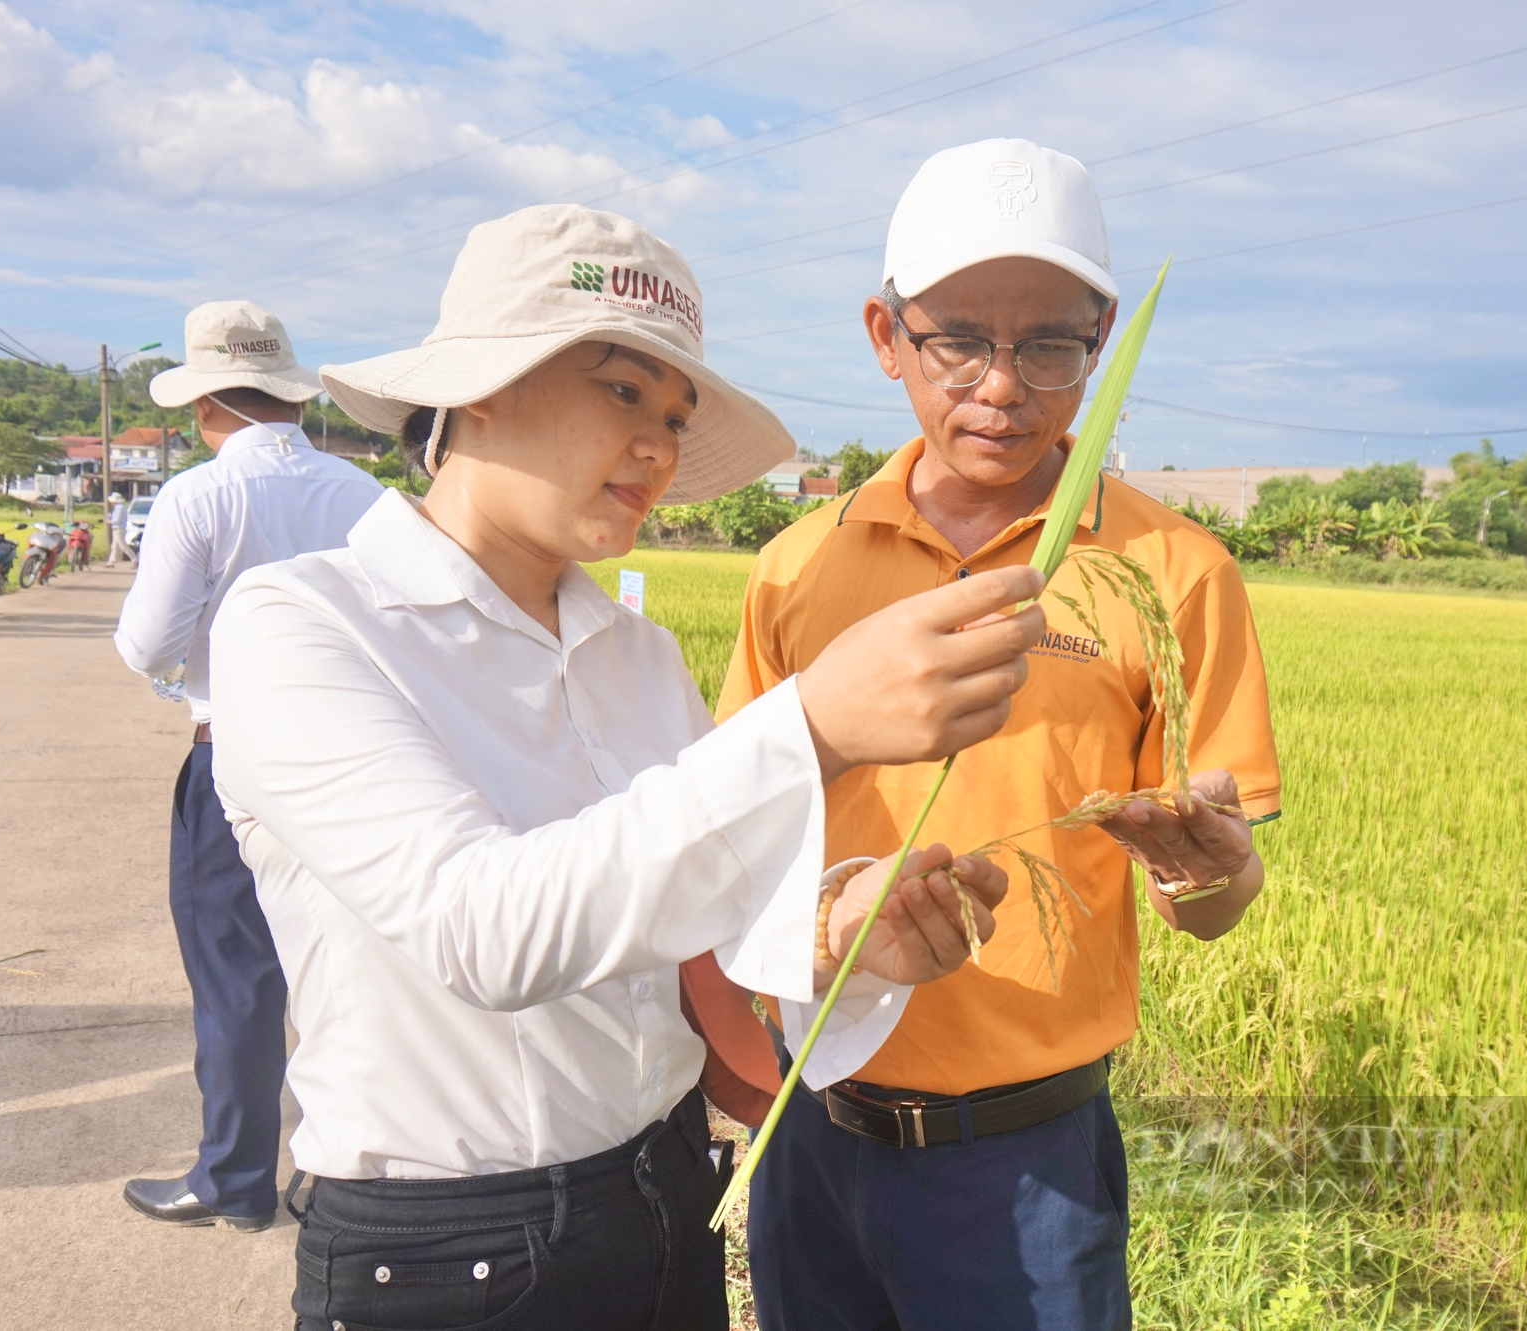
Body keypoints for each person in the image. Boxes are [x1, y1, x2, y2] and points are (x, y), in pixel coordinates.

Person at [208, 203, 1041, 1331]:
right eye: (618, 390)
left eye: (672, 412)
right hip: (452, 1253)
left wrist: (842, 926)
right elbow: (482, 927)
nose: (655, 445)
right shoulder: (303, 624)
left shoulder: (637, 653)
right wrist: (813, 723)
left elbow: (702, 927)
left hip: (663, 1196)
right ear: (477, 387)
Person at [719, 139, 1284, 1330]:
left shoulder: (1173, 573)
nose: (1001, 386)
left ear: (1104, 342)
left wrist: (1216, 880)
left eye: (1049, 345)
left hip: (1025, 1161)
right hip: (810, 1124)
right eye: (958, 339)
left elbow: (1203, 896)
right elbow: (734, 828)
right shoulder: (797, 565)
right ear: (886, 335)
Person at [114, 301, 385, 1231]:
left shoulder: (198, 496)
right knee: (351, 968)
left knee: (239, 975)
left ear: (203, 407)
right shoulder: (366, 496)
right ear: (294, 397)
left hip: (234, 756)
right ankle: (357, 1174)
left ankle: (233, 1178)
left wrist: (186, 659)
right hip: (359, 762)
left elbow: (147, 644)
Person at [104, 492, 134, 564]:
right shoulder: (119, 507)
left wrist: (109, 521)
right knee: (114, 546)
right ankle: (111, 561)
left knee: (122, 546)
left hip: (119, 529)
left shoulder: (119, 508)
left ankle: (134, 558)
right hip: (118, 528)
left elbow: (117, 520)